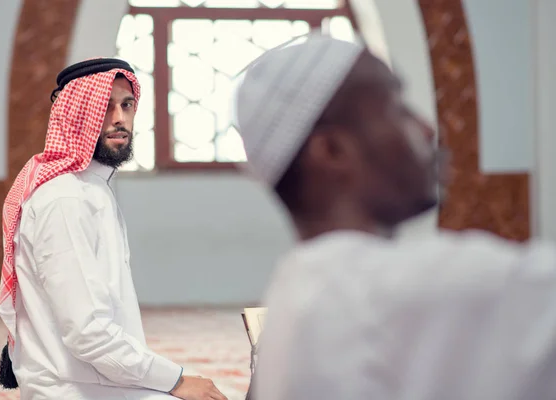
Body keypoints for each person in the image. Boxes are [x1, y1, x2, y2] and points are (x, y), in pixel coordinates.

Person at [234, 33, 556, 400]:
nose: (427, 129)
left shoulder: (296, 290)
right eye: (397, 108)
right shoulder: (402, 289)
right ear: (331, 151)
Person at [0, 58, 227, 400]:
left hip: (101, 382)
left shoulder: (91, 188)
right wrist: (177, 380)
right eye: (103, 107)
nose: (120, 119)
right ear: (75, 115)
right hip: (75, 390)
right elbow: (87, 333)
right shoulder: (66, 199)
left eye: (127, 105)